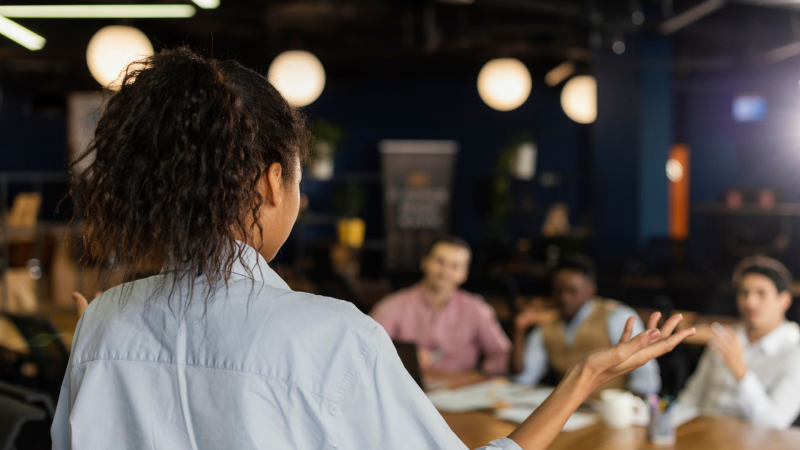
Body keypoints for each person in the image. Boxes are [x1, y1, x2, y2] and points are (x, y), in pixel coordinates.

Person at [51, 47, 694, 450]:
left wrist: (109, 336)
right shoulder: (328, 337)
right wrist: (584, 378)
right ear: (272, 181)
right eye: (298, 178)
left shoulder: (102, 324)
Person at [676, 256, 800, 429]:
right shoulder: (726, 337)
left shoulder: (794, 355)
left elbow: (775, 426)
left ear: (784, 300)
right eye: (744, 293)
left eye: (761, 293)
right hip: (702, 435)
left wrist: (741, 374)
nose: (750, 302)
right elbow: (692, 398)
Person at [512, 255, 662, 395]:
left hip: (606, 410)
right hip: (563, 412)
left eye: (572, 291)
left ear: (591, 289)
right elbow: (523, 377)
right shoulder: (548, 322)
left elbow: (646, 378)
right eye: (559, 291)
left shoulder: (617, 316)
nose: (564, 298)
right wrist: (519, 330)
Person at [370, 237, 511, 374]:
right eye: (440, 262)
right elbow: (368, 347)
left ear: (464, 274)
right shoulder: (394, 305)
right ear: (424, 262)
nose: (445, 271)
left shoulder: (476, 309)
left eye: (455, 266)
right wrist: (400, 358)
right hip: (408, 387)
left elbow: (501, 353)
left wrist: (480, 377)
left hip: (462, 389)